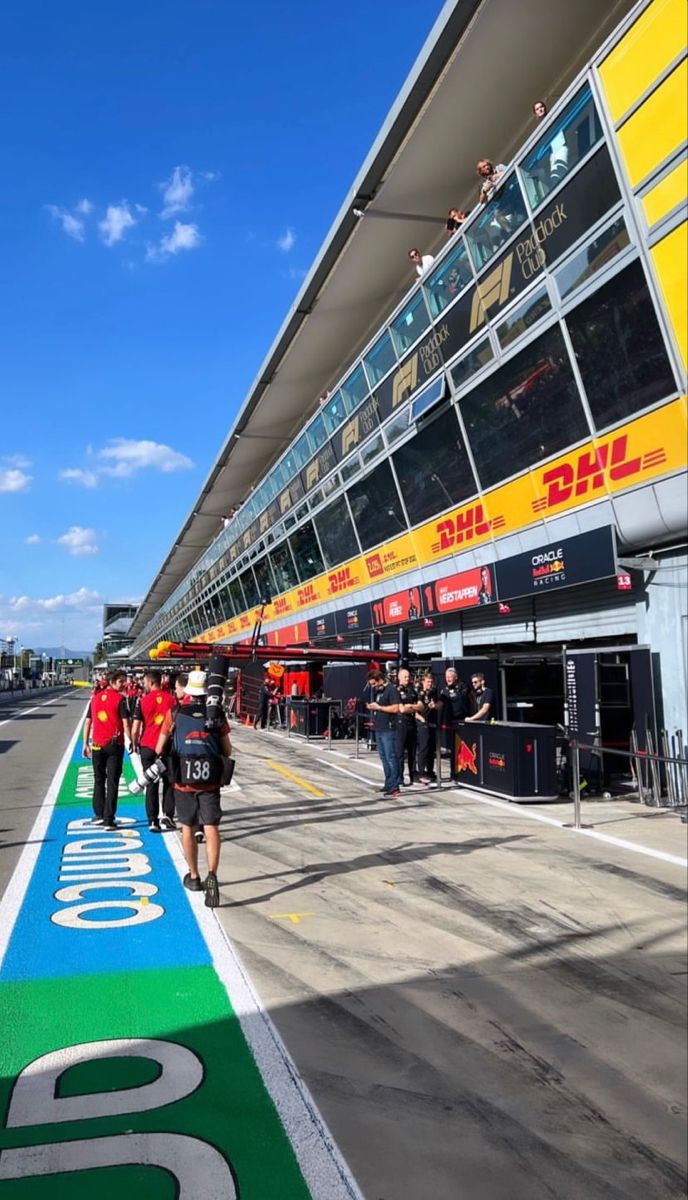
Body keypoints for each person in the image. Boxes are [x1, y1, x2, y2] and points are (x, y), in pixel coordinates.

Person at [155, 669, 232, 906]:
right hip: (210, 781)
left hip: (183, 780)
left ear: (188, 690)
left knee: (187, 827)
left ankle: (194, 876)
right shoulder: (217, 715)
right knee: (211, 826)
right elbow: (227, 750)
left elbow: (159, 748)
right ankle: (212, 875)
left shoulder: (175, 712)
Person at [82, 671, 132, 830]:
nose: (124, 684)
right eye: (121, 681)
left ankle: (98, 814)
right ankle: (109, 819)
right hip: (114, 744)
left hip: (97, 744)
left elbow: (88, 722)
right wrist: (131, 741)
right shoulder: (120, 700)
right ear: (112, 681)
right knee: (112, 781)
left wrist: (85, 743)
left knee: (98, 779)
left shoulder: (95, 699)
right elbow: (125, 723)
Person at [131, 669, 176, 832]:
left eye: (144, 683)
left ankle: (152, 820)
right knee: (169, 783)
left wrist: (134, 743)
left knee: (151, 783)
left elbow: (135, 728)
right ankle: (168, 817)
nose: (143, 686)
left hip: (148, 746)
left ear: (151, 683)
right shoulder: (172, 700)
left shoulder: (142, 701)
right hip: (167, 748)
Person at [366, 669, 401, 798]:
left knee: (391, 757)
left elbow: (396, 708)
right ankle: (389, 782)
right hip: (379, 728)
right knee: (384, 758)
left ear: (380, 680)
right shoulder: (379, 692)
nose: (373, 687)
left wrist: (379, 707)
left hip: (388, 729)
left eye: (374, 684)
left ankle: (395, 786)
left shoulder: (391, 690)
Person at [439, 667, 470, 779]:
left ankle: (465, 771)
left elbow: (461, 699)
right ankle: (454, 773)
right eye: (446, 677)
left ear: (455, 677)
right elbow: (441, 703)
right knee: (453, 749)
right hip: (450, 722)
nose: (448, 679)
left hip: (462, 721)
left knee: (464, 748)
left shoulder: (463, 686)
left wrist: (452, 693)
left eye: (450, 677)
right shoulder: (444, 690)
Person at [396, 667, 422, 786]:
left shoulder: (413, 691)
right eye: (405, 677)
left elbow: (421, 706)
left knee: (412, 753)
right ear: (399, 678)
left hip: (412, 723)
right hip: (401, 724)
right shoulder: (396, 690)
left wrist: (410, 706)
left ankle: (413, 775)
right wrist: (412, 707)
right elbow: (401, 708)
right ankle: (399, 777)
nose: (407, 679)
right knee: (400, 753)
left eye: (408, 677)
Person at [416, 671, 439, 783]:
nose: (429, 684)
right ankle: (421, 773)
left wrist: (434, 705)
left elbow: (438, 705)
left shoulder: (434, 693)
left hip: (432, 723)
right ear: (423, 682)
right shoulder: (419, 693)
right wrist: (421, 719)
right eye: (428, 682)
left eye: (431, 682)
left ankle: (430, 771)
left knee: (431, 749)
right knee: (423, 748)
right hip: (423, 723)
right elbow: (414, 711)